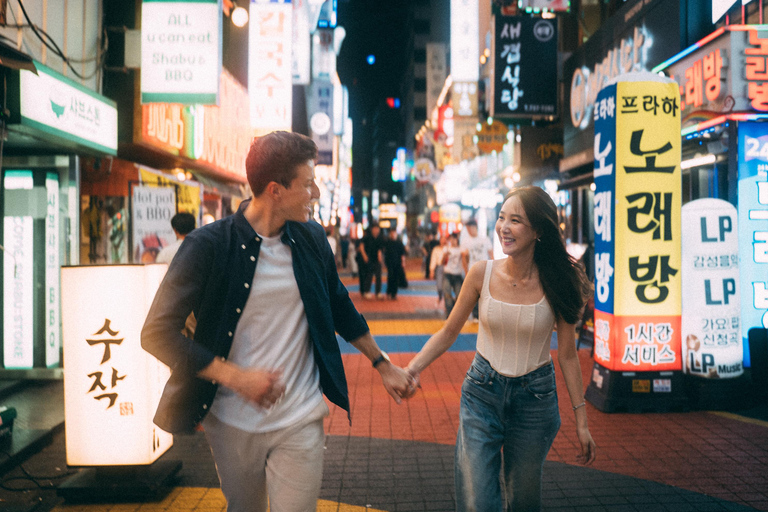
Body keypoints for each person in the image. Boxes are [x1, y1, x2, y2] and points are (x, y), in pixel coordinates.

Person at [141, 131, 414, 512]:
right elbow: (156, 332)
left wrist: (382, 364)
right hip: (230, 419)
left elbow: (338, 304)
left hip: (299, 414)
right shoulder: (208, 246)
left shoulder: (312, 239)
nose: (316, 193)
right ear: (275, 190)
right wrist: (236, 377)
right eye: (308, 183)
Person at [403, 186, 596, 512]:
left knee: (523, 499)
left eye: (516, 220)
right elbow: (449, 331)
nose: (504, 227)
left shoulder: (559, 281)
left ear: (537, 230)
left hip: (535, 400)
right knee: (479, 499)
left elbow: (566, 355)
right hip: (482, 392)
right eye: (502, 218)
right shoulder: (481, 274)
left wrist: (582, 421)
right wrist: (412, 368)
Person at [461, 219, 493, 322]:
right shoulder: (466, 241)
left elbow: (491, 254)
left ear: (474, 227)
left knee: (485, 293)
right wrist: (466, 272)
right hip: (472, 270)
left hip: (486, 269)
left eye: (469, 228)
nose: (469, 230)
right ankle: (476, 315)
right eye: (467, 229)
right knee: (475, 294)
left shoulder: (485, 239)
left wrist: (494, 268)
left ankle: (484, 315)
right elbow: (463, 258)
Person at [441, 232, 464, 317]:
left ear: (457, 239)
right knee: (447, 296)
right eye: (451, 239)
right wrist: (445, 255)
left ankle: (455, 315)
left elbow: (465, 261)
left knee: (459, 297)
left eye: (454, 238)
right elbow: (441, 262)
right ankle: (449, 316)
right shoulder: (446, 249)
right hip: (447, 274)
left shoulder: (461, 249)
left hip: (457, 275)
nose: (453, 240)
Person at [359, 225, 385, 299]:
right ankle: (367, 291)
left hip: (377, 260)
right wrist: (364, 255)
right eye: (375, 228)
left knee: (378, 276)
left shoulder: (380, 238)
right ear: (372, 229)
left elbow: (380, 249)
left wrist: (380, 259)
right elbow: (361, 245)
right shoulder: (367, 237)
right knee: (369, 275)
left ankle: (378, 292)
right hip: (369, 259)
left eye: (377, 229)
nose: (376, 230)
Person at [384, 229, 407, 300]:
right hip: (390, 263)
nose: (393, 234)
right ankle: (388, 292)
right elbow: (385, 253)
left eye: (394, 233)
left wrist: (403, 262)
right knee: (390, 277)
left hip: (397, 263)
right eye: (391, 233)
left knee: (396, 278)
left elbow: (402, 254)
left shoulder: (399, 243)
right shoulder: (388, 242)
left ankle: (394, 294)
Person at [429, 235, 447, 308]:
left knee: (446, 288)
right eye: (442, 239)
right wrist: (431, 271)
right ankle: (440, 297)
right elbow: (433, 260)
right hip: (439, 268)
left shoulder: (449, 248)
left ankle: (447, 305)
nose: (443, 241)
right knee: (439, 286)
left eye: (444, 239)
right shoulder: (436, 249)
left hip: (447, 268)